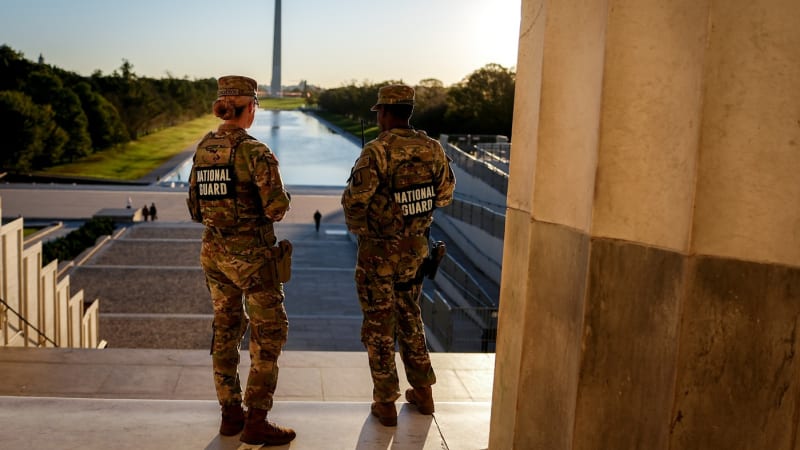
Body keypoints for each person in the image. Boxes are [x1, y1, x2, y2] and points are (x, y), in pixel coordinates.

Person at [186, 75, 295, 446]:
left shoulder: (203, 148)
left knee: (225, 331)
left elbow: (194, 207)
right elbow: (277, 209)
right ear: (248, 108)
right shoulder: (255, 152)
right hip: (252, 260)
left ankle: (230, 415)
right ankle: (257, 420)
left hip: (214, 254)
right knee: (267, 335)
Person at [341, 84, 456, 427]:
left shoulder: (377, 151)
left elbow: (353, 204)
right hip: (416, 250)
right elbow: (446, 195)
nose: (378, 119)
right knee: (410, 316)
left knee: (379, 323)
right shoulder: (433, 148)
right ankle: (424, 392)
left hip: (379, 252)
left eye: (380, 114)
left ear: (388, 114)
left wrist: (371, 230)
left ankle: (386, 401)